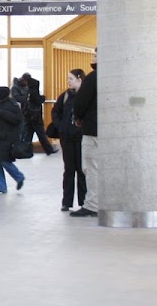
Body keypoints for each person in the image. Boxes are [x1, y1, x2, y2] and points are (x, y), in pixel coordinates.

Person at [50, 69, 87, 212]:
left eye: (70, 78)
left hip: (81, 137)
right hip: (67, 138)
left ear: (79, 79)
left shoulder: (85, 95)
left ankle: (84, 202)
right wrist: (61, 127)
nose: (68, 81)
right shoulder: (64, 96)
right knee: (69, 169)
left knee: (82, 170)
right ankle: (67, 202)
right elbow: (55, 112)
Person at [70, 50, 98, 217]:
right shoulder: (115, 74)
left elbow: (81, 102)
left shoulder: (94, 77)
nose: (92, 57)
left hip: (93, 128)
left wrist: (78, 117)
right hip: (111, 130)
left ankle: (93, 205)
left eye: (95, 55)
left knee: (91, 167)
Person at [12, 72, 56, 155]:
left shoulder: (28, 89)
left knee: (28, 134)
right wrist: (29, 97)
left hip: (28, 114)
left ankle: (23, 150)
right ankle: (22, 150)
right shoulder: (17, 88)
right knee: (31, 133)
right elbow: (18, 99)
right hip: (28, 114)